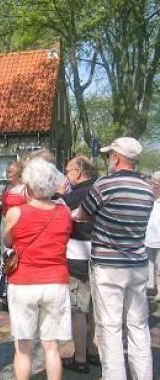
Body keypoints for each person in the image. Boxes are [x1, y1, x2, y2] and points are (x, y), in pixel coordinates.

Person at [73, 137, 154, 380]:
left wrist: (80, 215)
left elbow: (83, 214)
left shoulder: (105, 185)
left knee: (110, 329)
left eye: (110, 156)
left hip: (108, 266)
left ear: (117, 158)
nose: (109, 159)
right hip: (137, 264)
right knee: (138, 327)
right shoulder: (147, 187)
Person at [3, 158, 72, 380]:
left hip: (23, 283)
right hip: (56, 282)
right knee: (51, 346)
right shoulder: (64, 212)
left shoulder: (16, 212)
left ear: (28, 185)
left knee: (23, 347)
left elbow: (7, 242)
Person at [61, 156, 98, 373]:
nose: (66, 174)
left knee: (78, 310)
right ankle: (92, 352)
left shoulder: (72, 197)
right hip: (100, 257)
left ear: (77, 172)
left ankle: (81, 358)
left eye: (68, 170)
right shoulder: (100, 191)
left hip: (77, 258)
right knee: (92, 309)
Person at [0, 161, 26, 254]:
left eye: (10, 172)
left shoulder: (25, 189)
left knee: (18, 249)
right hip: (5, 222)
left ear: (18, 173)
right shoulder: (5, 188)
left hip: (19, 223)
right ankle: (5, 266)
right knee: (5, 250)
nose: (7, 174)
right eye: (7, 171)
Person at [147, 171, 160, 301]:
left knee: (159, 267)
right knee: (148, 265)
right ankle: (149, 287)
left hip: (159, 239)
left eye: (155, 184)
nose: (152, 186)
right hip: (147, 238)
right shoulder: (149, 199)